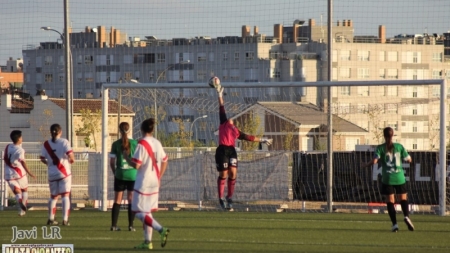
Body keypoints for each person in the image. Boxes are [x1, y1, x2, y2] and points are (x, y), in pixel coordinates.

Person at [214, 84, 273, 210]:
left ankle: (229, 197)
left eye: (232, 119)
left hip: (231, 150)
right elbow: (221, 106)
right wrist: (219, 94)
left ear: (234, 123)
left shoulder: (236, 131)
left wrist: (263, 139)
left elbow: (250, 138)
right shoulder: (223, 122)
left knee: (233, 173)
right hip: (222, 150)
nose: (230, 119)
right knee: (223, 174)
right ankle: (221, 198)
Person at [123, 118, 170, 250]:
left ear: (142, 129)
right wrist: (159, 176)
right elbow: (165, 160)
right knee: (147, 212)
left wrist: (126, 158)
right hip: (155, 181)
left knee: (137, 211)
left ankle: (161, 229)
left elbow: (137, 165)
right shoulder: (157, 143)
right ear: (152, 129)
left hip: (143, 182)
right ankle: (147, 242)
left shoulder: (141, 144)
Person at [362, 127, 414, 232]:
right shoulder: (399, 147)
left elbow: (375, 161)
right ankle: (406, 216)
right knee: (403, 198)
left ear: (384, 136)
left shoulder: (380, 148)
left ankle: (395, 224)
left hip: (387, 178)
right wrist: (405, 159)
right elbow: (409, 160)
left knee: (390, 201)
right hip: (399, 177)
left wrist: (366, 165)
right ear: (392, 135)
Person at [40, 124, 75, 226]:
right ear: (60, 131)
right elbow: (71, 157)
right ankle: (65, 220)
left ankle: (51, 219)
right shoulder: (64, 142)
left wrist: (49, 164)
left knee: (53, 197)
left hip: (52, 173)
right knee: (65, 195)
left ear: (50, 132)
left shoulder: (46, 144)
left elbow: (42, 158)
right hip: (64, 173)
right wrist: (71, 160)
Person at [109, 122, 138, 231]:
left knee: (117, 200)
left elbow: (112, 162)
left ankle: (114, 225)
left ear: (119, 131)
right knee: (131, 200)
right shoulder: (135, 143)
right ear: (129, 130)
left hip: (120, 174)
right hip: (132, 175)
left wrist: (115, 172)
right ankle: (131, 226)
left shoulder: (115, 144)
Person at [4, 130, 36, 216]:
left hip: (8, 173)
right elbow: (23, 162)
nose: (22, 138)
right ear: (18, 139)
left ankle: (19, 202)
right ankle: (22, 210)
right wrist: (29, 172)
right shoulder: (20, 150)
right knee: (24, 190)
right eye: (21, 137)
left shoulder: (8, 147)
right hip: (19, 173)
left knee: (17, 191)